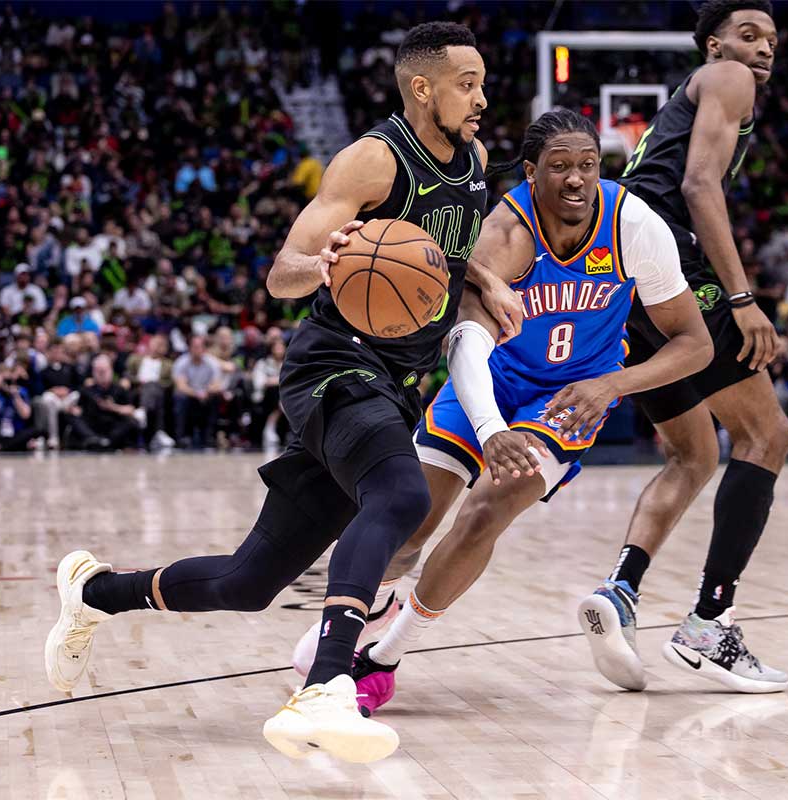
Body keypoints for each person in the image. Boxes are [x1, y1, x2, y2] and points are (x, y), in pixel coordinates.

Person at [44, 22, 521, 764]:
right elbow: (283, 272)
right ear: (423, 88)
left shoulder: (476, 161)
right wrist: (323, 263)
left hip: (389, 382)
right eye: (469, 84)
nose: (483, 99)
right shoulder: (372, 159)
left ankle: (96, 593)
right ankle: (328, 685)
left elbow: (440, 261)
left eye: (483, 83)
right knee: (400, 496)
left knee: (248, 581)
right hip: (333, 363)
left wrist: (484, 279)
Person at [314, 110, 711, 713]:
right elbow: (465, 343)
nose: (576, 179)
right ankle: (363, 613)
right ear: (531, 173)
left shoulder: (633, 224)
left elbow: (695, 344)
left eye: (587, 165)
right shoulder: (506, 231)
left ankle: (386, 655)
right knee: (410, 523)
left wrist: (613, 385)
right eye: (559, 167)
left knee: (485, 512)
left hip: (569, 399)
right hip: (490, 379)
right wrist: (491, 428)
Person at [582, 0, 788, 693]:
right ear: (715, 45)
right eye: (746, 34)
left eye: (769, 38)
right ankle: (710, 622)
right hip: (667, 263)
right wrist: (739, 297)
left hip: (621, 269)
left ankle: (620, 592)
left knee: (694, 453)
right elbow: (700, 185)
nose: (760, 49)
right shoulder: (731, 80)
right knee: (767, 436)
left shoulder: (692, 95)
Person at [64, 354, 139, 450]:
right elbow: (78, 410)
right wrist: (74, 410)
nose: (101, 374)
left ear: (111, 370)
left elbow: (131, 410)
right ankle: (94, 439)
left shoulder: (119, 389)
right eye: (98, 371)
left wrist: (112, 407)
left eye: (104, 371)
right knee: (72, 418)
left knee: (132, 422)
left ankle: (107, 441)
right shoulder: (86, 390)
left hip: (113, 425)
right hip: (92, 425)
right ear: (93, 372)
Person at [171, 334, 222, 448]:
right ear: (189, 348)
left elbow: (217, 385)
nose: (197, 350)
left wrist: (207, 391)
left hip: (206, 395)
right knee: (180, 397)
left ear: (204, 348)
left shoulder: (212, 363)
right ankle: (182, 437)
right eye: (194, 346)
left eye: (199, 347)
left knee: (217, 397)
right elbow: (181, 386)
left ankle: (209, 437)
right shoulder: (181, 363)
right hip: (189, 396)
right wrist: (197, 394)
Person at [0, 362, 44, 452]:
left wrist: (16, 395)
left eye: (9, 379)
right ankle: (19, 446)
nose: (7, 382)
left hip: (16, 432)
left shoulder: (21, 391)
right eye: (5, 380)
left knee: (36, 430)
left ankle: (0, 446)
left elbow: (26, 414)